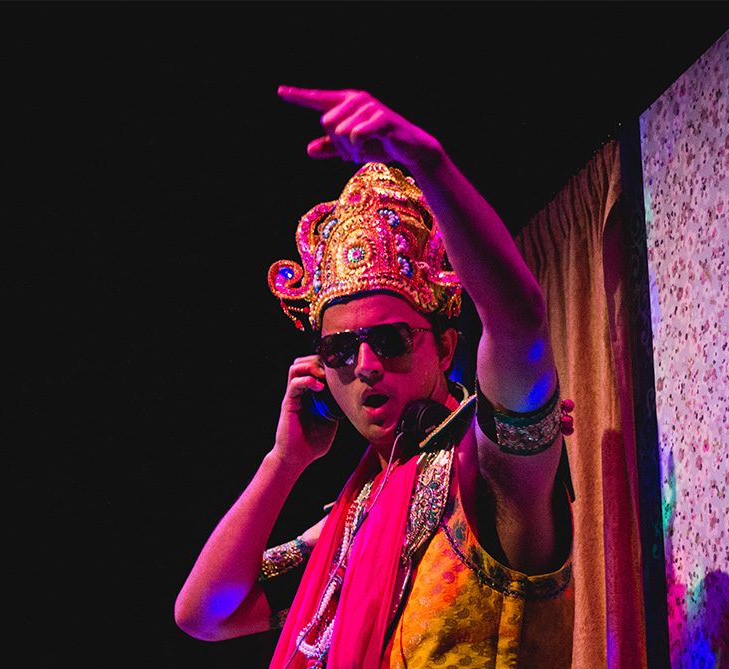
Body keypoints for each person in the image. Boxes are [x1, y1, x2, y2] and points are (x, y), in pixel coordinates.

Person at [175, 87, 574, 668]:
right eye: (339, 349)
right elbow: (204, 612)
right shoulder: (349, 525)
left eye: (389, 340)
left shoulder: (488, 470)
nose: (364, 365)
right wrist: (284, 461)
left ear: (445, 347)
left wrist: (430, 163)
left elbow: (520, 323)